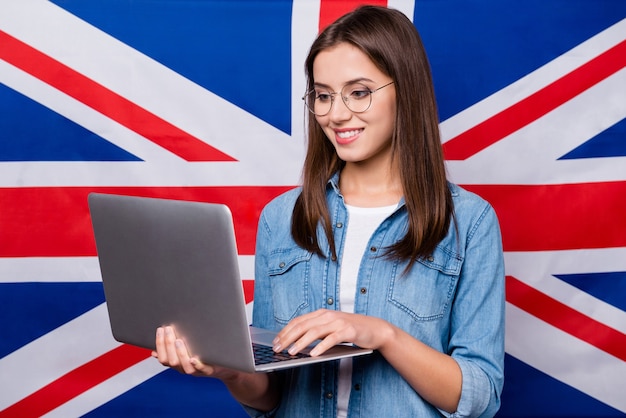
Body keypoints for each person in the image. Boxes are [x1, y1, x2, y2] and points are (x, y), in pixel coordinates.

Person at [153, 5, 505, 418]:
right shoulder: (281, 217)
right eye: (323, 95)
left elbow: (480, 396)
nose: (336, 114)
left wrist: (382, 335)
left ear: (406, 90)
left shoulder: (470, 223)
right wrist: (230, 371)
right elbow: (270, 394)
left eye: (358, 92)